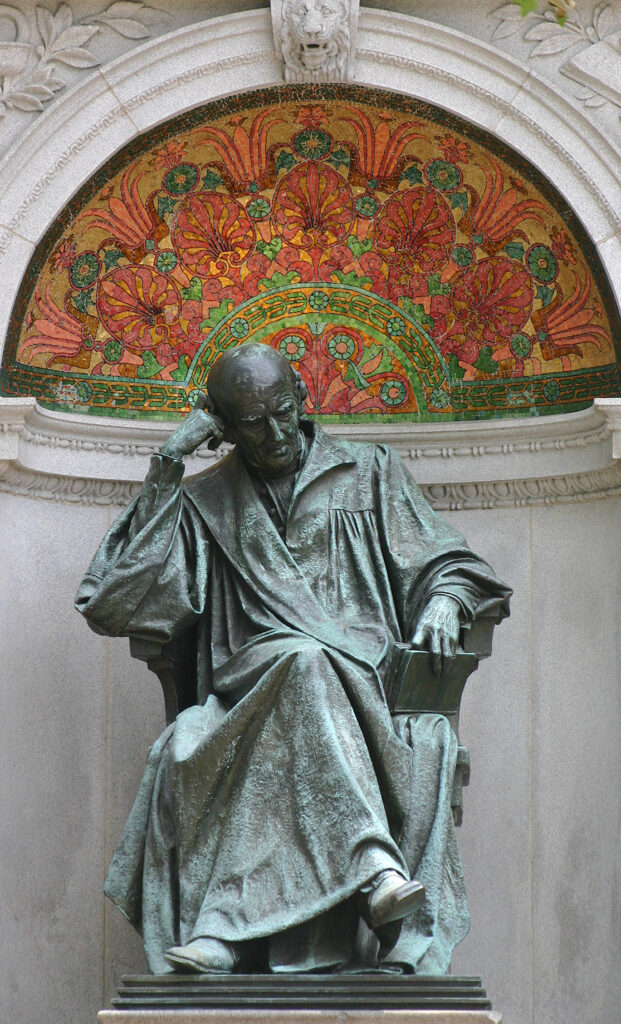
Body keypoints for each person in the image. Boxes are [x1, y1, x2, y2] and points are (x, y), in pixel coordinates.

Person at [76, 343, 511, 975]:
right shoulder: (204, 500)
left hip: (361, 682)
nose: (275, 431)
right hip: (245, 692)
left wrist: (445, 597)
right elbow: (114, 601)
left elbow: (449, 559)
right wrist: (167, 465)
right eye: (251, 421)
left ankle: (224, 930)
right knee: (298, 665)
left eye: (282, 410)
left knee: (308, 664)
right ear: (220, 425)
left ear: (302, 395)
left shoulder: (368, 471)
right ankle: (372, 871)